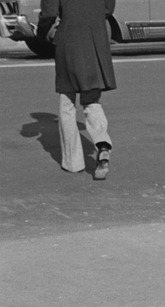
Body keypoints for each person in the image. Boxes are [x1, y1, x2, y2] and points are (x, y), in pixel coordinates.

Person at [37, 0, 116, 180]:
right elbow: (108, 8)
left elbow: (49, 13)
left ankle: (73, 163)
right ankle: (102, 144)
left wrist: (40, 33)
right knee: (92, 101)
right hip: (96, 41)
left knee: (67, 103)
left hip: (69, 41)